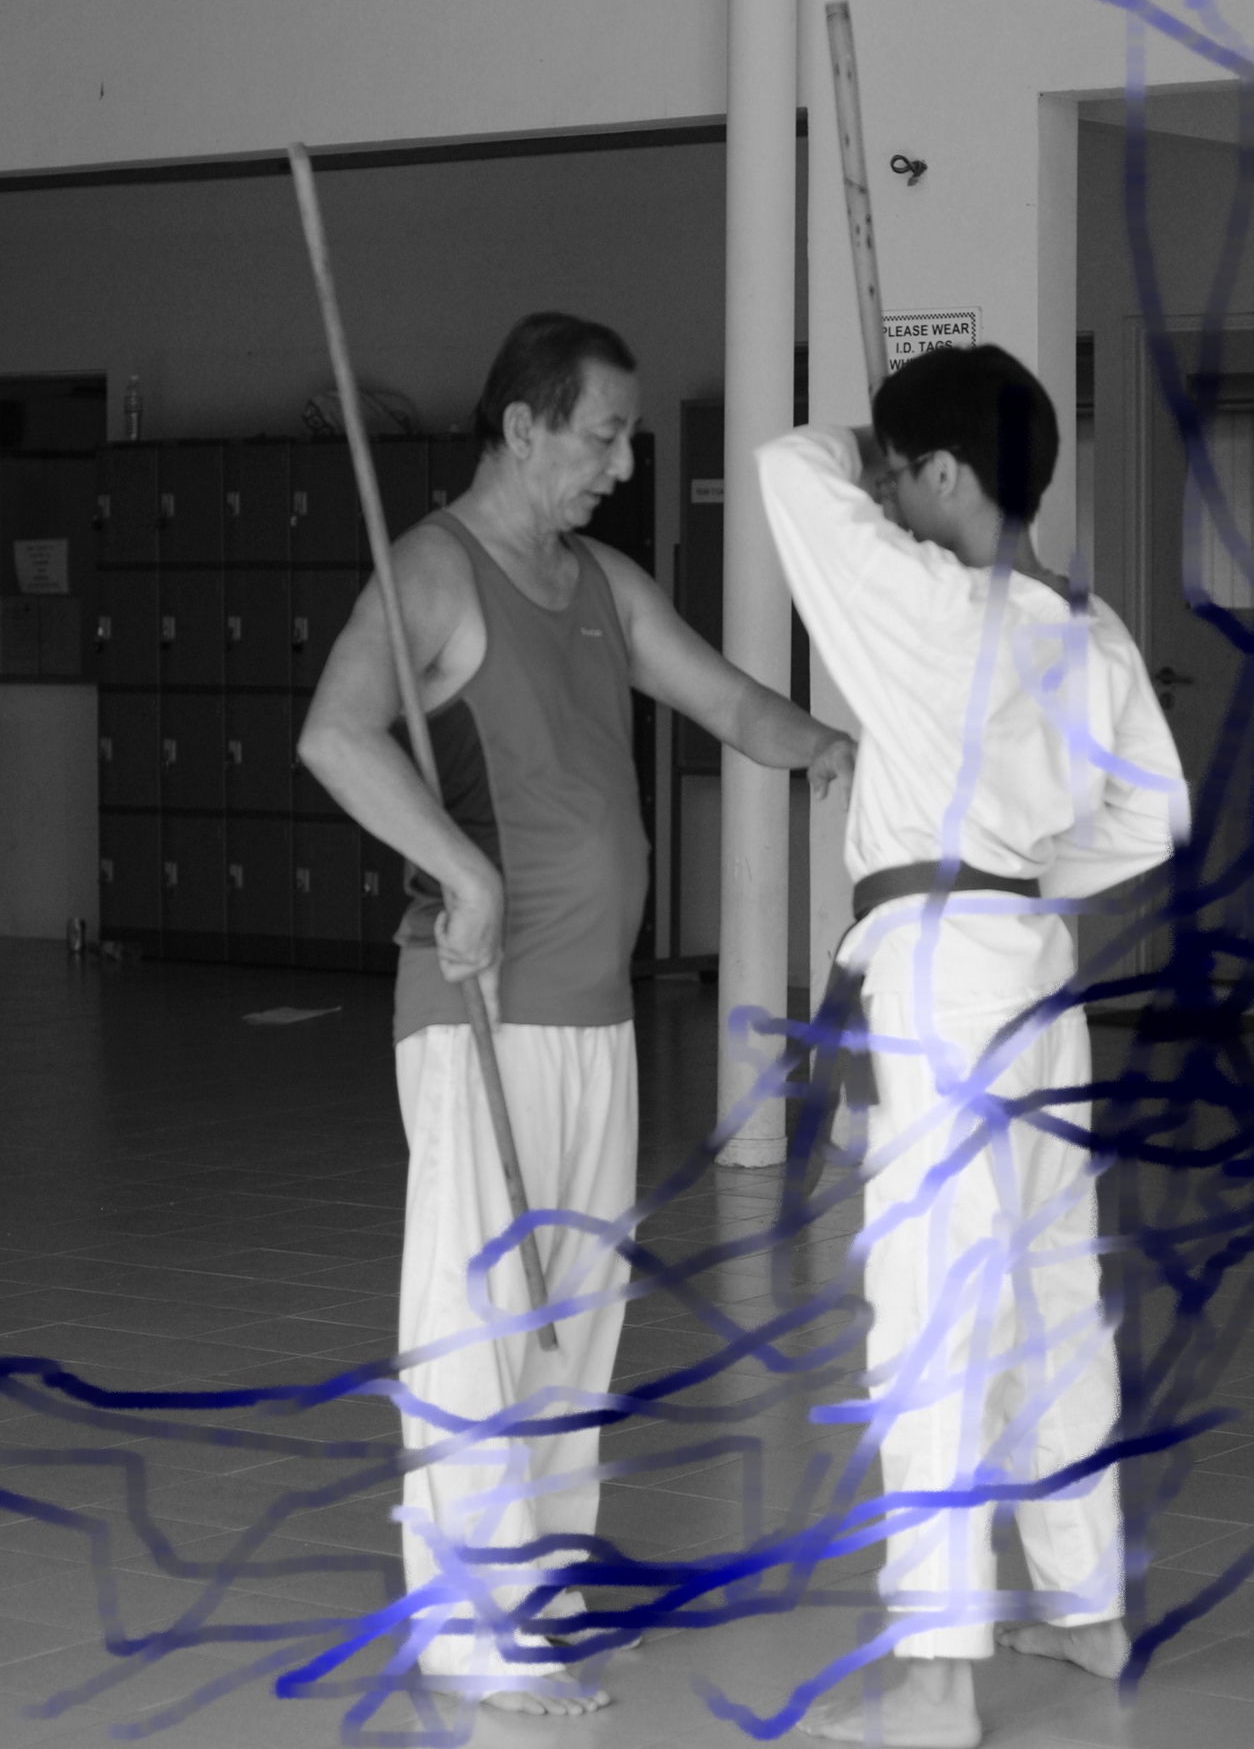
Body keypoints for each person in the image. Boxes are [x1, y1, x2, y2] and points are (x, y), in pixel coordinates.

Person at [298, 312, 855, 1720]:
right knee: (480, 1312)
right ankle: (467, 1626)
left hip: (596, 1013)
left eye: (627, 438)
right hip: (479, 1009)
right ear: (524, 427)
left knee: (573, 1316)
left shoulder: (601, 582)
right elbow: (334, 733)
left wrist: (838, 748)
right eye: (603, 435)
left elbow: (731, 703)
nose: (619, 463)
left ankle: (537, 1585)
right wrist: (463, 869)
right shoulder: (435, 571)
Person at [755, 343, 1186, 1749]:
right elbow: (1151, 819)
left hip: (946, 978)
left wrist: (869, 455)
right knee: (1053, 1292)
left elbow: (786, 467)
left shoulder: (930, 605)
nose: (882, 494)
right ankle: (1086, 1606)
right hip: (1034, 966)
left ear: (944, 472)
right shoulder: (1089, 630)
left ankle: (937, 1675)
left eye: (903, 472)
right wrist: (1025, 875)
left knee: (935, 1305)